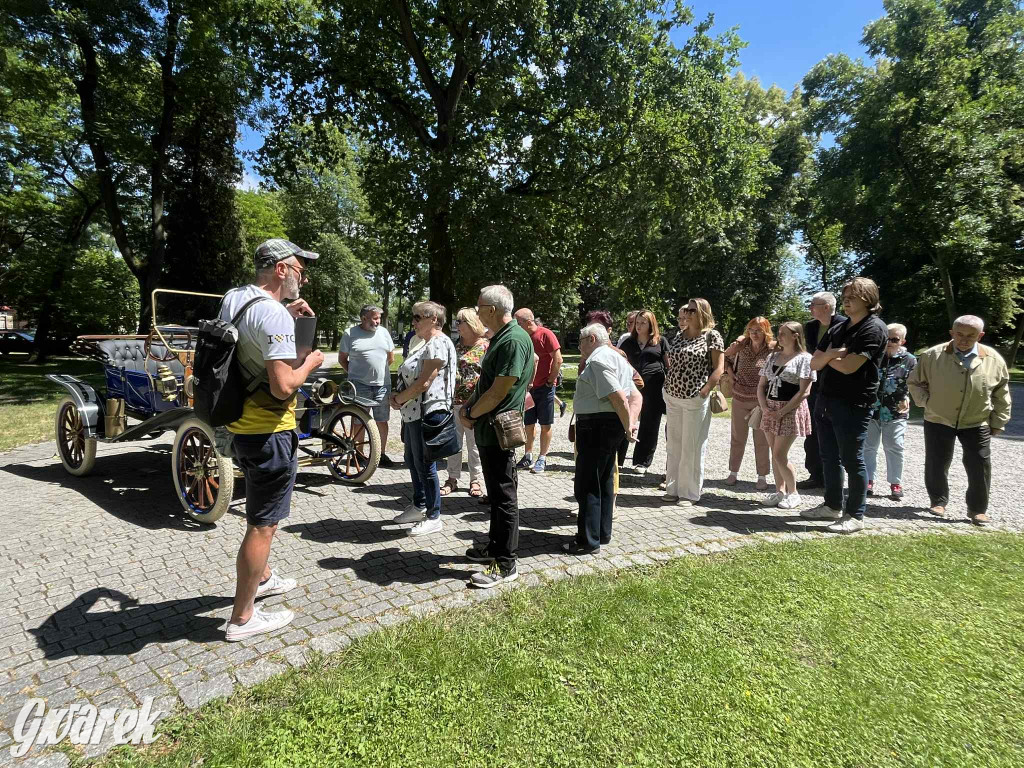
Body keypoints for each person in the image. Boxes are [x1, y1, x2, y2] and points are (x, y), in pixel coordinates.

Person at [222, 239, 325, 641]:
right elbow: (283, 387)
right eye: (299, 268)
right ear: (281, 270)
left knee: (261, 514)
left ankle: (262, 578)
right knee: (263, 525)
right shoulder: (275, 317)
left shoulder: (235, 299)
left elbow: (251, 336)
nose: (303, 276)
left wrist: (284, 312)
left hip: (238, 424)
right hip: (269, 430)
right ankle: (243, 618)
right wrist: (313, 362)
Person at [460, 285, 534, 588]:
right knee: (497, 495)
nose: (477, 312)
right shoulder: (503, 337)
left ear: (492, 309)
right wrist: (471, 408)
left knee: (504, 498)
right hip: (489, 429)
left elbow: (499, 390)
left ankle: (506, 563)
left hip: (497, 428)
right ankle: (494, 547)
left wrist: (472, 413)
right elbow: (488, 384)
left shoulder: (514, 339)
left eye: (479, 307)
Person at [908, 315, 1011, 525]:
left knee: (980, 464)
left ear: (980, 335)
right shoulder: (932, 355)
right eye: (959, 334)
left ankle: (978, 510)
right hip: (939, 418)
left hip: (977, 420)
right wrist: (926, 402)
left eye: (970, 335)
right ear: (951, 333)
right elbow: (915, 382)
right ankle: (938, 501)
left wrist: (999, 421)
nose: (964, 339)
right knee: (937, 462)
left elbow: (1002, 393)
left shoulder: (993, 359)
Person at [804, 277, 888, 533]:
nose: (846, 300)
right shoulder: (838, 327)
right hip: (826, 399)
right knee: (828, 456)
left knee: (852, 459)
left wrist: (829, 357)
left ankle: (855, 515)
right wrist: (833, 354)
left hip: (853, 403)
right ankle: (831, 505)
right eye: (845, 295)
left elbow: (850, 367)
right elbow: (814, 362)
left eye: (853, 295)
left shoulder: (873, 329)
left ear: (868, 298)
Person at [565, 323, 636, 554]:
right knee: (604, 479)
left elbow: (618, 397)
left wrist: (628, 427)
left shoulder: (598, 360)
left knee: (587, 483)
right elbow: (632, 394)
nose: (579, 345)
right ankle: (602, 532)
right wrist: (627, 424)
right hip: (607, 424)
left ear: (592, 339)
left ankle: (587, 541)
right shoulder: (619, 359)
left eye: (581, 340)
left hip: (597, 425)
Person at [389, 301, 457, 536]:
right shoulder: (423, 343)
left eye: (418, 317)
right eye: (414, 317)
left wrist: (398, 399)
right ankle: (419, 505)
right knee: (413, 459)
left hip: (428, 412)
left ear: (435, 320)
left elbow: (424, 382)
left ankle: (433, 515)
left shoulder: (438, 342)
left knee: (426, 464)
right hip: (413, 412)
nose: (414, 322)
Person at [663, 298, 725, 506]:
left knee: (692, 445)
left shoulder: (712, 336)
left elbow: (719, 368)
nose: (688, 314)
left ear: (702, 312)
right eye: (687, 310)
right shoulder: (680, 335)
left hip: (694, 398)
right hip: (672, 395)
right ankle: (672, 487)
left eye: (692, 310)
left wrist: (705, 390)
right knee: (674, 444)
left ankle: (688, 493)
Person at [757, 321, 815, 510]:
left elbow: (804, 392)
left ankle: (794, 493)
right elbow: (761, 385)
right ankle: (779, 491)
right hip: (770, 408)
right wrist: (765, 407)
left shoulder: (805, 359)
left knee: (779, 454)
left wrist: (782, 411)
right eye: (779, 333)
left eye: (783, 333)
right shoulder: (773, 357)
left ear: (795, 336)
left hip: (790, 410)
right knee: (774, 453)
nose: (779, 336)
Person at [798, 292, 846, 490]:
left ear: (826, 307)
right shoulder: (810, 327)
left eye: (813, 304)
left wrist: (823, 359)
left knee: (834, 434)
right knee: (812, 433)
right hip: (813, 384)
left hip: (836, 384)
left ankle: (833, 478)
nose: (810, 308)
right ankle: (815, 475)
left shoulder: (845, 325)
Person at [338, 304, 397, 467]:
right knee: (359, 421)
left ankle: (381, 454)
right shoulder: (350, 334)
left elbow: (390, 357)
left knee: (382, 420)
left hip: (382, 385)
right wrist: (356, 374)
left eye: (379, 318)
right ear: (364, 318)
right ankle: (359, 454)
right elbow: (342, 359)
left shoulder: (384, 333)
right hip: (359, 386)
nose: (378, 321)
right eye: (375, 318)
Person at [865, 324, 917, 500]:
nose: (889, 342)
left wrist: (912, 398)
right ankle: (868, 481)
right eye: (886, 338)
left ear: (902, 341)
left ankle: (895, 483)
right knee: (868, 447)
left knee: (894, 446)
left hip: (896, 411)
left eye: (894, 340)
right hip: (871, 409)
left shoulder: (910, 360)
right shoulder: (873, 356)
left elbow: (917, 383)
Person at [723, 317, 775, 489]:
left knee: (761, 439)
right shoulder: (741, 346)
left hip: (760, 400)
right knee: (737, 437)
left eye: (759, 330)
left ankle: (762, 476)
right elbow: (725, 357)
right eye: (752, 330)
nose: (755, 334)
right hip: (739, 397)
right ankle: (733, 472)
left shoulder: (772, 349)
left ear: (766, 331)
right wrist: (731, 374)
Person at [444, 307, 489, 498]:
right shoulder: (456, 345)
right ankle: (452, 478)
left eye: (460, 322)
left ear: (471, 325)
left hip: (475, 405)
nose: (457, 326)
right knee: (454, 443)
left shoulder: (486, 346)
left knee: (474, 445)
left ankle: (475, 480)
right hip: (453, 402)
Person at [513, 308, 563, 474]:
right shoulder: (523, 337)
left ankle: (542, 458)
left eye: (518, 323)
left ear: (528, 322)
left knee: (545, 424)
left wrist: (550, 381)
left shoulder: (545, 334)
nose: (516, 326)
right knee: (528, 423)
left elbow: (558, 359)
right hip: (528, 389)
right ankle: (528, 455)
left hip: (545, 388)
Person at [619, 309, 668, 473]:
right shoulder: (628, 342)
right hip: (630, 388)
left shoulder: (660, 342)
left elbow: (668, 365)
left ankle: (642, 462)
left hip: (653, 388)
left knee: (650, 424)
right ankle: (618, 459)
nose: (638, 326)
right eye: (637, 323)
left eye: (643, 323)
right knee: (625, 419)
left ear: (651, 324)